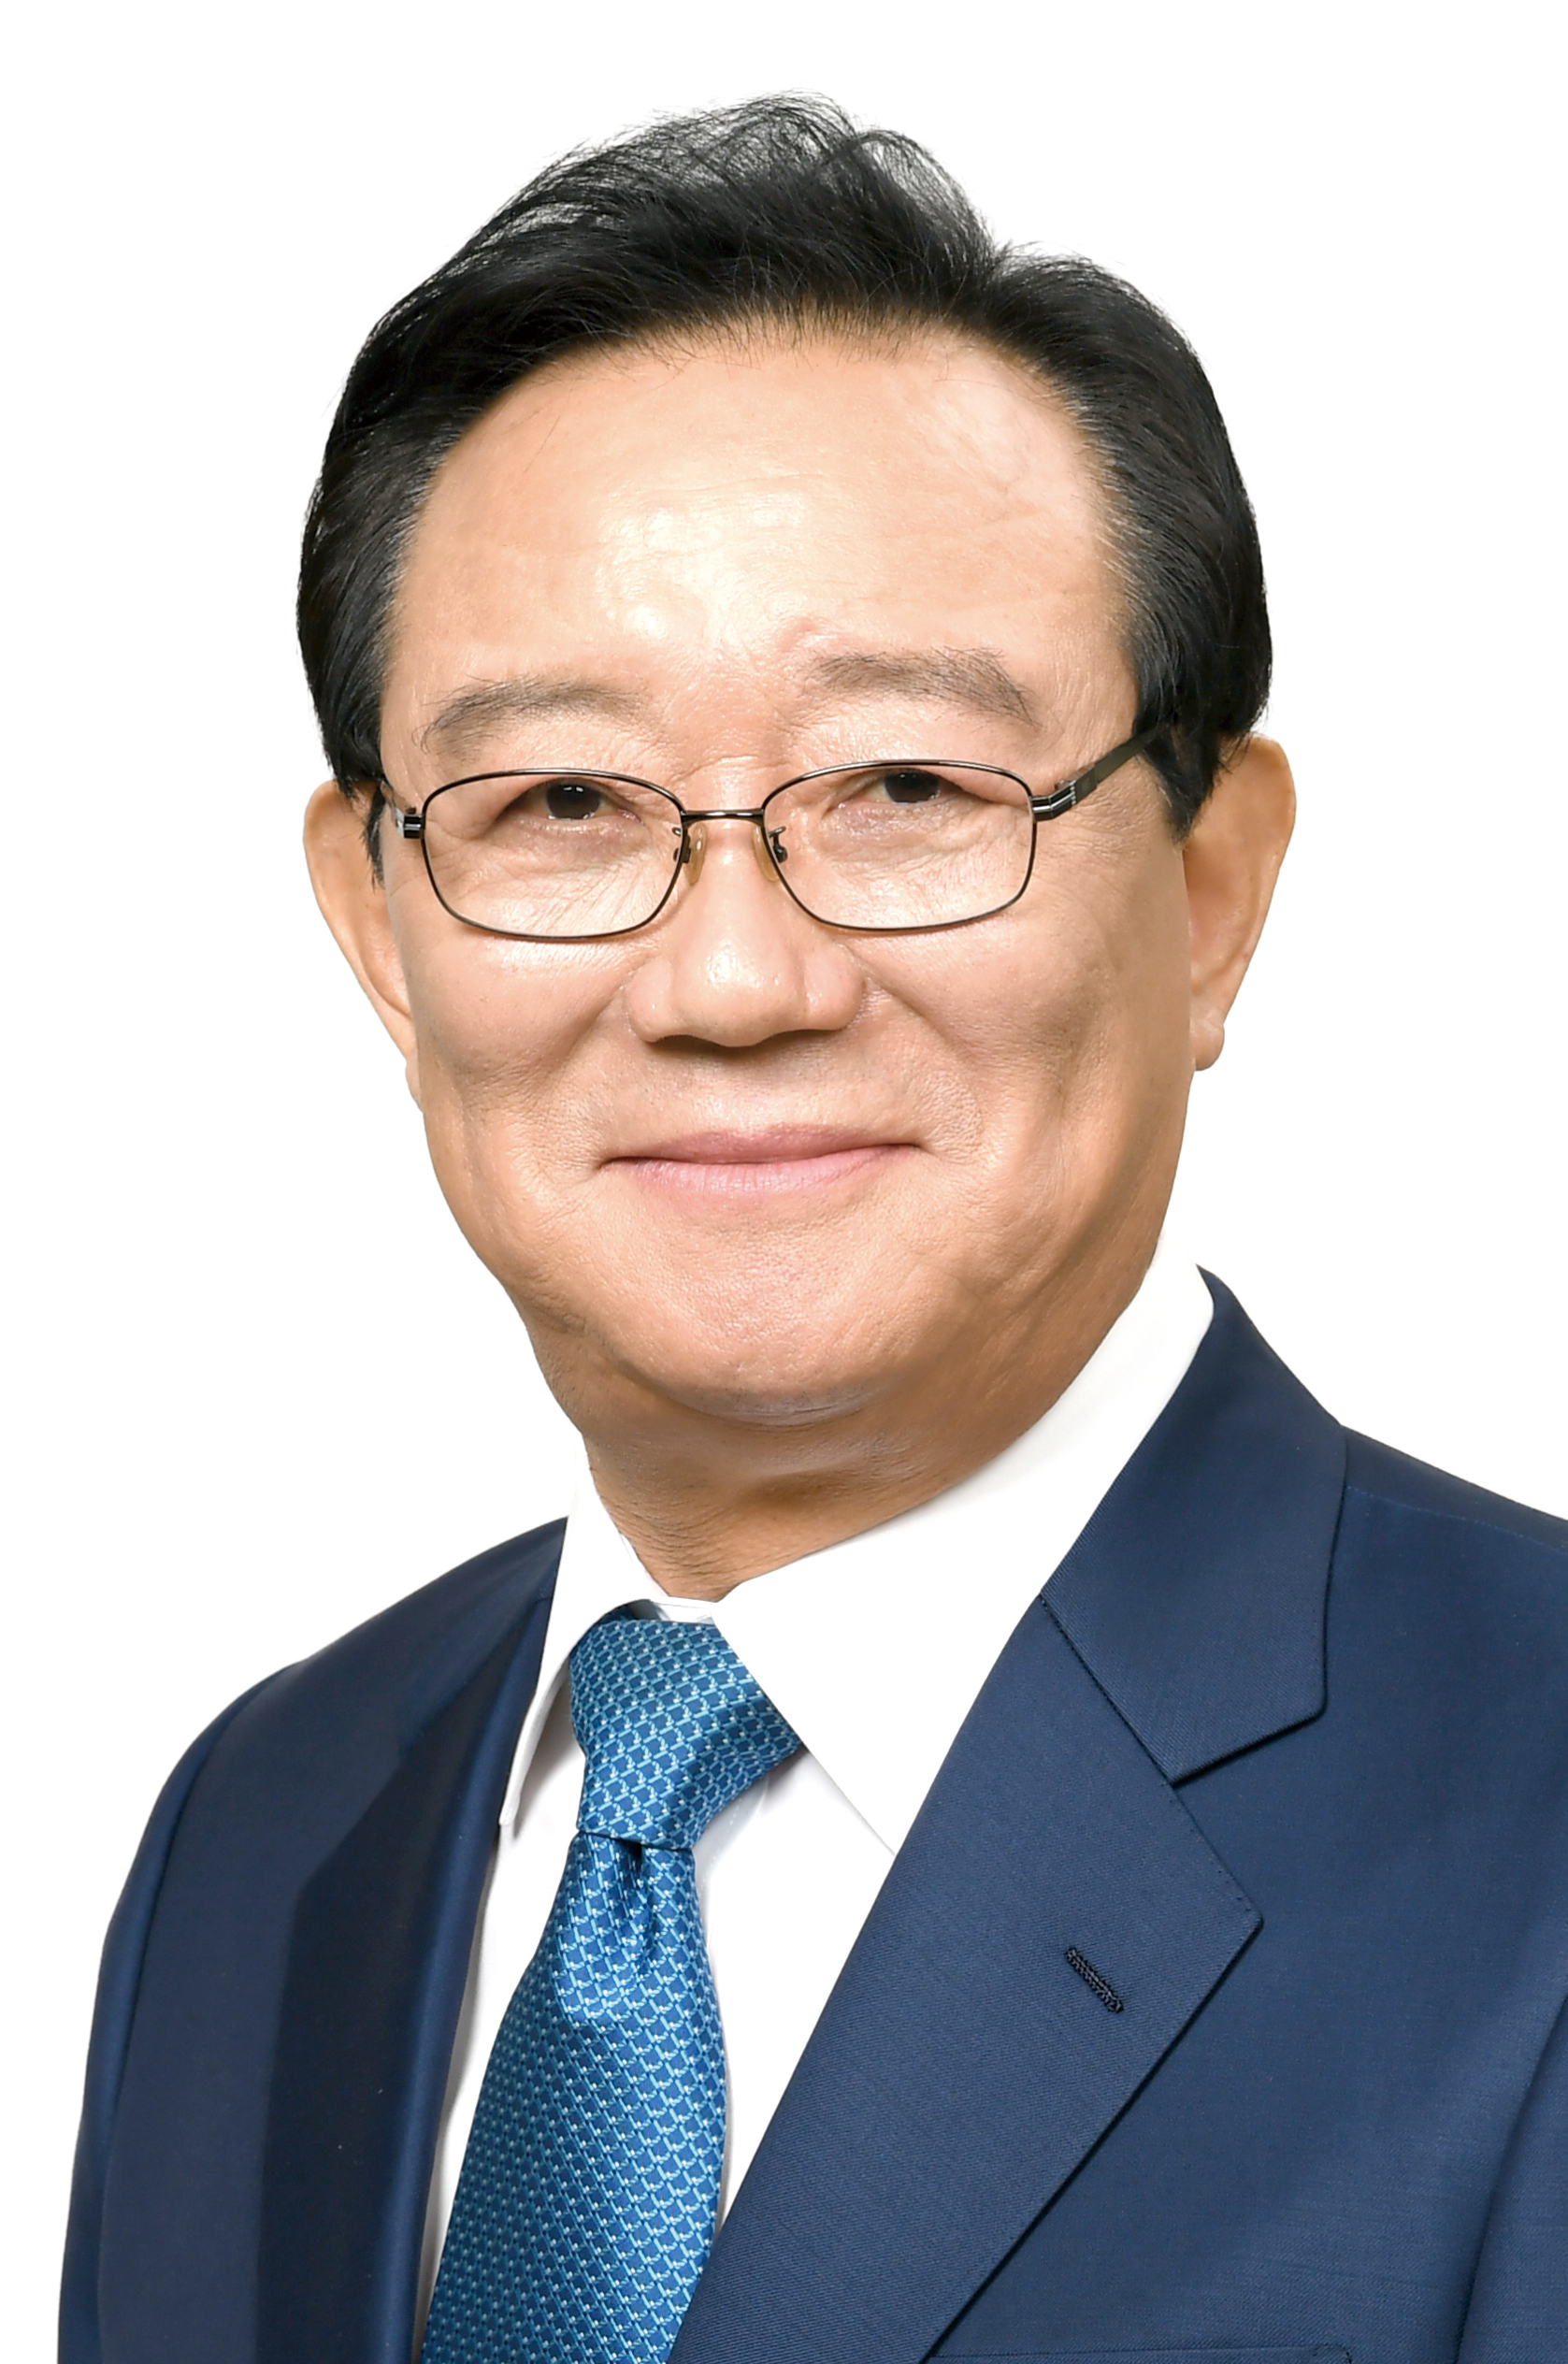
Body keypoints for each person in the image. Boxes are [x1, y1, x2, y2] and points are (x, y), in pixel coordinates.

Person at [62, 96, 1568, 2364]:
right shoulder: (263, 1833)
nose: (732, 979)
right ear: (377, 926)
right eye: (563, 800)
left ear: (1207, 889)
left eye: (905, 786)